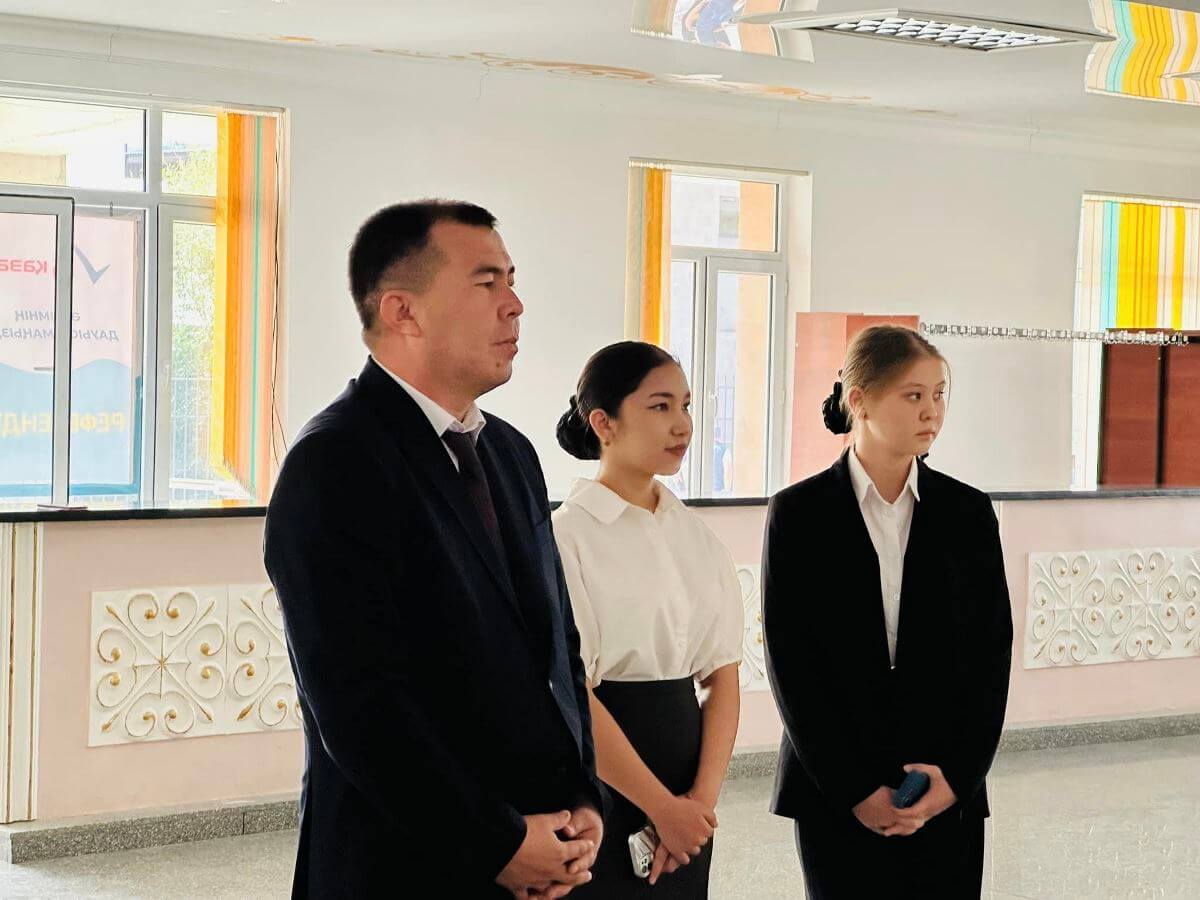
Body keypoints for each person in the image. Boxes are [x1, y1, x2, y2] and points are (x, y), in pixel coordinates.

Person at [264, 201, 606, 898]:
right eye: (486, 282)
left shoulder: (510, 453)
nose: (514, 305)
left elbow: (556, 651)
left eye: (511, 279)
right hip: (407, 863)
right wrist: (499, 843)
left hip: (541, 844)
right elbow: (360, 703)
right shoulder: (337, 460)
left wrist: (582, 800)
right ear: (403, 311)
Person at [762, 324, 1013, 898]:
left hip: (943, 785)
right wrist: (854, 790)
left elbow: (990, 657)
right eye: (913, 395)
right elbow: (792, 664)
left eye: (939, 394)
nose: (932, 412)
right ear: (860, 401)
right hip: (834, 788)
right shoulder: (799, 514)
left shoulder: (968, 512)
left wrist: (958, 778)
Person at [553, 341, 743, 897]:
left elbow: (722, 676)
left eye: (686, 406)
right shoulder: (567, 537)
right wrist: (661, 807)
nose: (682, 424)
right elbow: (573, 690)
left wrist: (697, 806)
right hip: (600, 777)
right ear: (603, 423)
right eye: (660, 406)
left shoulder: (696, 536)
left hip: (687, 775)